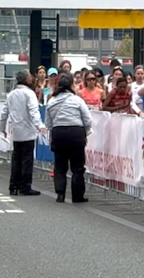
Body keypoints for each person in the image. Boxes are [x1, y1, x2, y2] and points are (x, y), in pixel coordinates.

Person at [46, 73, 93, 203]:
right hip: (76, 133)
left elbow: (48, 123)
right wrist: (86, 132)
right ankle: (77, 196)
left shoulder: (52, 101)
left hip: (58, 133)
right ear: (71, 85)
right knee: (77, 167)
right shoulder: (77, 100)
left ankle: (60, 193)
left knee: (60, 166)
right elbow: (88, 120)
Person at [0, 70, 46, 196]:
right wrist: (40, 125)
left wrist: (2, 128)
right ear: (26, 80)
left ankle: (13, 185)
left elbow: (4, 113)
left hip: (16, 132)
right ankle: (25, 186)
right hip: (28, 131)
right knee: (27, 160)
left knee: (16, 159)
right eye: (30, 77)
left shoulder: (11, 94)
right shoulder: (29, 94)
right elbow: (34, 111)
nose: (32, 78)